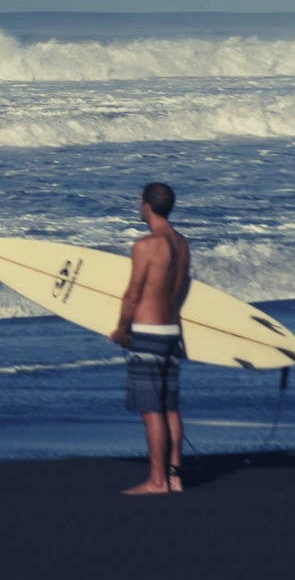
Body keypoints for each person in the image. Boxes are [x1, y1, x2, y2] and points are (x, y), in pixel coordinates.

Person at [107, 181, 191, 495]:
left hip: (147, 333)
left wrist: (121, 329)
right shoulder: (182, 243)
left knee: (151, 410)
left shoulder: (146, 245)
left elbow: (132, 295)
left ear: (146, 205)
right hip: (172, 331)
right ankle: (174, 477)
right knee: (170, 407)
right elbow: (181, 289)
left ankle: (156, 482)